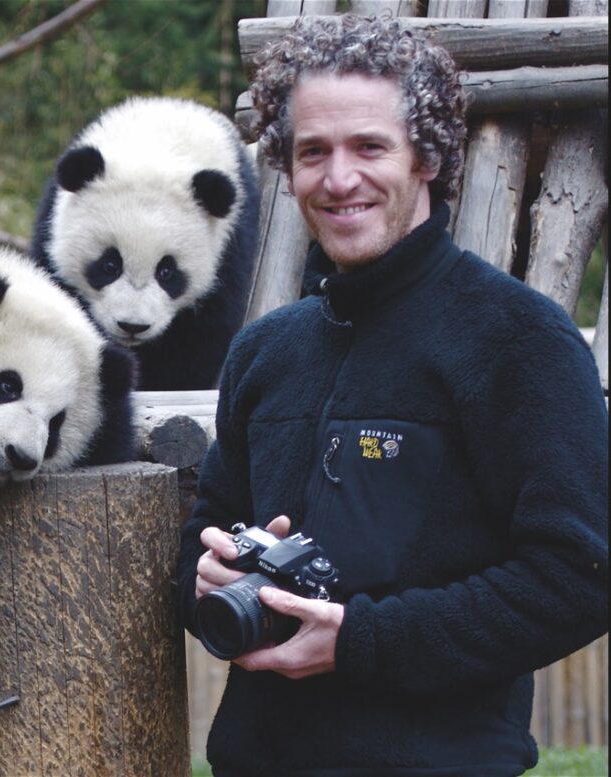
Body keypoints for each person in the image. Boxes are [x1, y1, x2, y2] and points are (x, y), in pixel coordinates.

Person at [176, 14, 609, 777]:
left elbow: (580, 577)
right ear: (285, 164)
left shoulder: (521, 342)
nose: (339, 179)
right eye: (313, 151)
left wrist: (361, 639)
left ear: (429, 156)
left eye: (369, 146)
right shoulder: (264, 352)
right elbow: (204, 538)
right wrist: (209, 576)